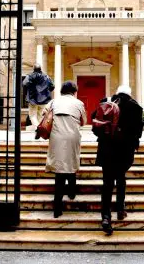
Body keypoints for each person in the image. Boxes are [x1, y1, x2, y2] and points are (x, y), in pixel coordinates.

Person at [95, 85, 143, 235]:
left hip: (106, 150)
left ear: (117, 92)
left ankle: (106, 217)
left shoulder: (106, 102)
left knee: (107, 183)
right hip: (124, 151)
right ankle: (120, 210)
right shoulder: (135, 107)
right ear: (130, 93)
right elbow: (138, 133)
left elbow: (95, 121)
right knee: (121, 178)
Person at [45, 81, 86, 218]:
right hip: (72, 136)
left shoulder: (53, 102)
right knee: (72, 162)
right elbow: (84, 121)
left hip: (57, 136)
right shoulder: (79, 103)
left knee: (59, 170)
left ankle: (57, 208)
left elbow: (45, 116)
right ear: (74, 91)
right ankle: (72, 192)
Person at [22, 64, 55, 128]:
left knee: (32, 115)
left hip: (33, 99)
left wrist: (29, 89)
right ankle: (40, 130)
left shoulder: (30, 76)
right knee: (40, 115)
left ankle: (38, 128)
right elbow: (52, 86)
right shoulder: (46, 76)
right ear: (40, 69)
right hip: (44, 100)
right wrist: (46, 92)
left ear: (33, 69)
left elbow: (24, 83)